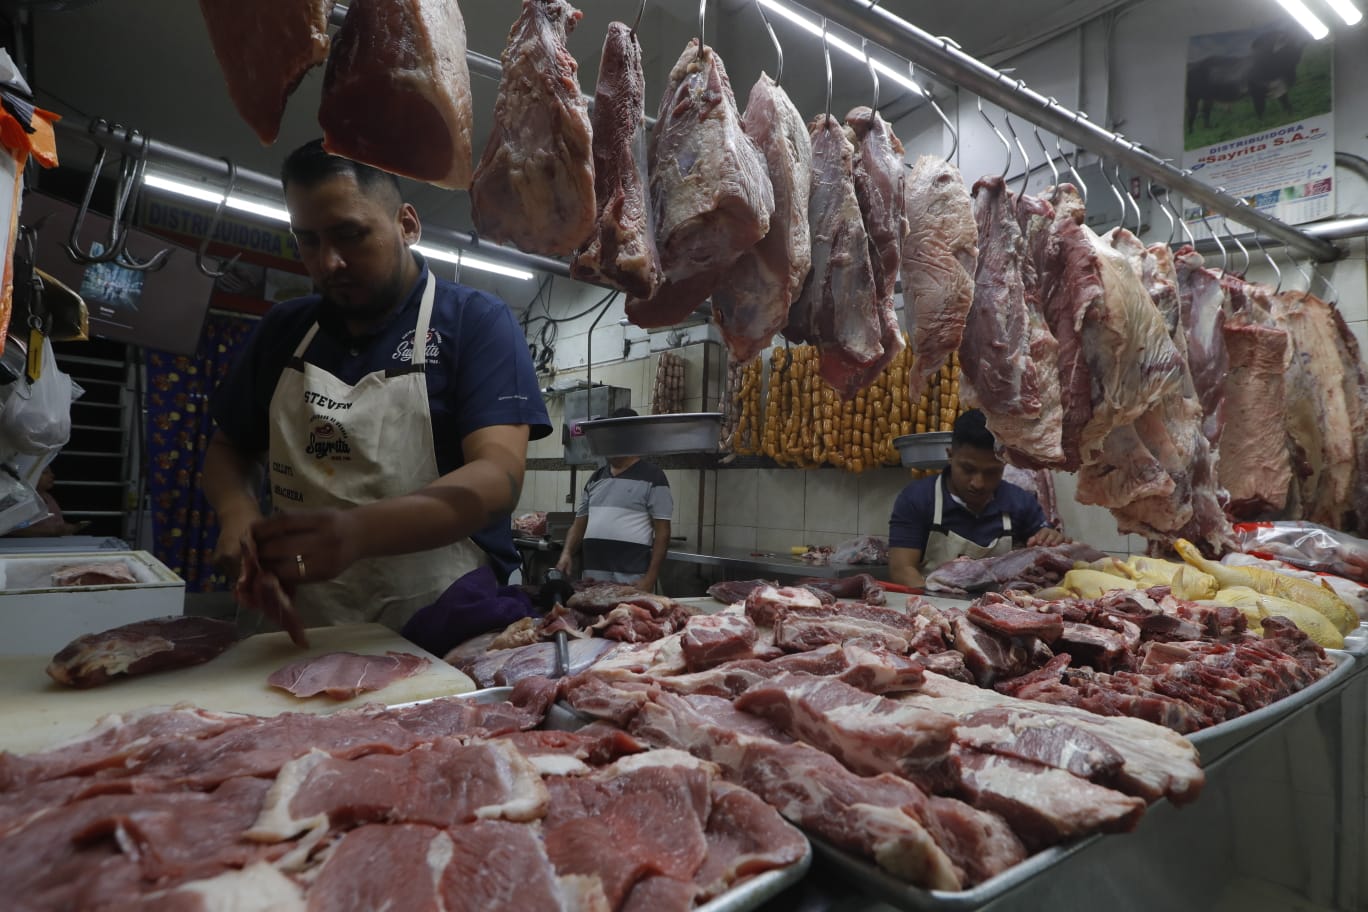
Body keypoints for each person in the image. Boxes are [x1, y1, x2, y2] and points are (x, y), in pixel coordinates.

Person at [203, 139, 552, 631]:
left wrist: (358, 532)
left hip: (440, 620)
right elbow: (229, 449)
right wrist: (237, 511)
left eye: (350, 235)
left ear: (407, 225)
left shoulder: (474, 321)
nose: (328, 262)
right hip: (300, 620)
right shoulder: (285, 329)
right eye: (308, 241)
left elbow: (499, 475)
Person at [887, 409, 1065, 589]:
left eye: (991, 472)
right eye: (968, 469)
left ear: (1004, 464)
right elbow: (902, 569)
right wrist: (934, 604)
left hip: (1001, 604)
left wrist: (1050, 539)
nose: (978, 483)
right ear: (950, 455)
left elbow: (1047, 557)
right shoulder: (918, 498)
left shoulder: (1020, 502)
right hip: (933, 600)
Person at [555, 408, 673, 591]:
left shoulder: (654, 477)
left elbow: (663, 533)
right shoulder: (595, 478)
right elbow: (579, 525)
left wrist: (650, 578)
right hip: (592, 581)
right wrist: (567, 553)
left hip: (631, 582)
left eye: (614, 436)